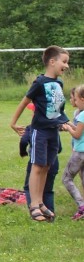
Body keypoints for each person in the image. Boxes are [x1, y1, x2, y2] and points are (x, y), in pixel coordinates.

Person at [10, 45, 69, 222]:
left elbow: (57, 110)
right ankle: (34, 205)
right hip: (40, 132)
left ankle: (41, 202)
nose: (66, 66)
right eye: (64, 62)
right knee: (37, 166)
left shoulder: (59, 83)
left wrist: (64, 124)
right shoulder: (39, 83)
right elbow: (24, 102)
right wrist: (13, 123)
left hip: (52, 132)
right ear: (52, 61)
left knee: (46, 166)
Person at [61, 85, 84, 220]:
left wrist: (68, 129)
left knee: (66, 179)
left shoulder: (81, 115)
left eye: (75, 99)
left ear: (82, 99)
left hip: (79, 154)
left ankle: (81, 206)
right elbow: (80, 130)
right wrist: (70, 125)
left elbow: (76, 135)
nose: (74, 101)